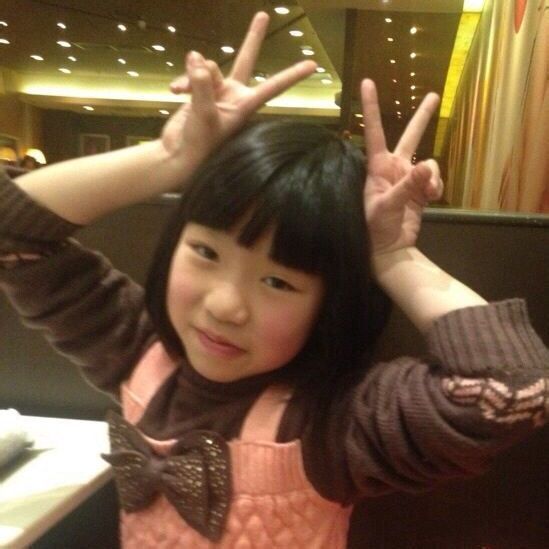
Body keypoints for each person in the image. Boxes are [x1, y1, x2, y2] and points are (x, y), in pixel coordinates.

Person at [0, 11, 547, 548]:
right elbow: (11, 232)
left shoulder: (333, 422)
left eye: (279, 282)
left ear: (326, 305)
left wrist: (391, 256)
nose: (225, 305)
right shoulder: (136, 349)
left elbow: (514, 391)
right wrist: (166, 158)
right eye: (206, 252)